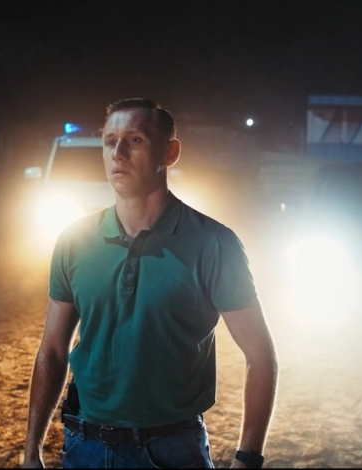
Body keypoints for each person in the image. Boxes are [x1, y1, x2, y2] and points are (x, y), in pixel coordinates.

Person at [23, 98, 278, 469]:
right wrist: (31, 450)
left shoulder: (213, 243)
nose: (118, 153)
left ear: (170, 153)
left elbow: (260, 356)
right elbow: (52, 349)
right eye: (110, 142)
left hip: (172, 449)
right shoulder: (74, 240)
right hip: (84, 446)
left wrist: (248, 458)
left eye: (135, 140)